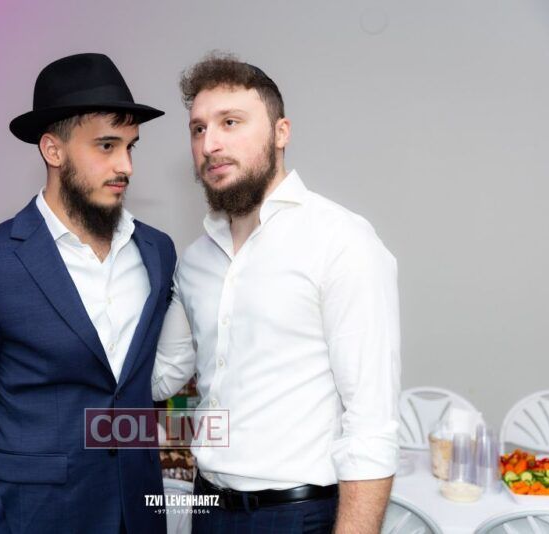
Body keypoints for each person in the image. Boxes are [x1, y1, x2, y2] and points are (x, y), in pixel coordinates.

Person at [152, 52, 401, 533]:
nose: (210, 143)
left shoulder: (341, 241)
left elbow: (371, 426)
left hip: (297, 515)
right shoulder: (196, 260)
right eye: (198, 129)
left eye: (230, 122)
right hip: (207, 509)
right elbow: (160, 377)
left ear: (281, 132)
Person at [0, 53, 175, 534]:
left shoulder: (156, 251)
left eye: (130, 147)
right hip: (39, 517)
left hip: (141, 513)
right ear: (53, 150)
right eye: (106, 145)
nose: (125, 165)